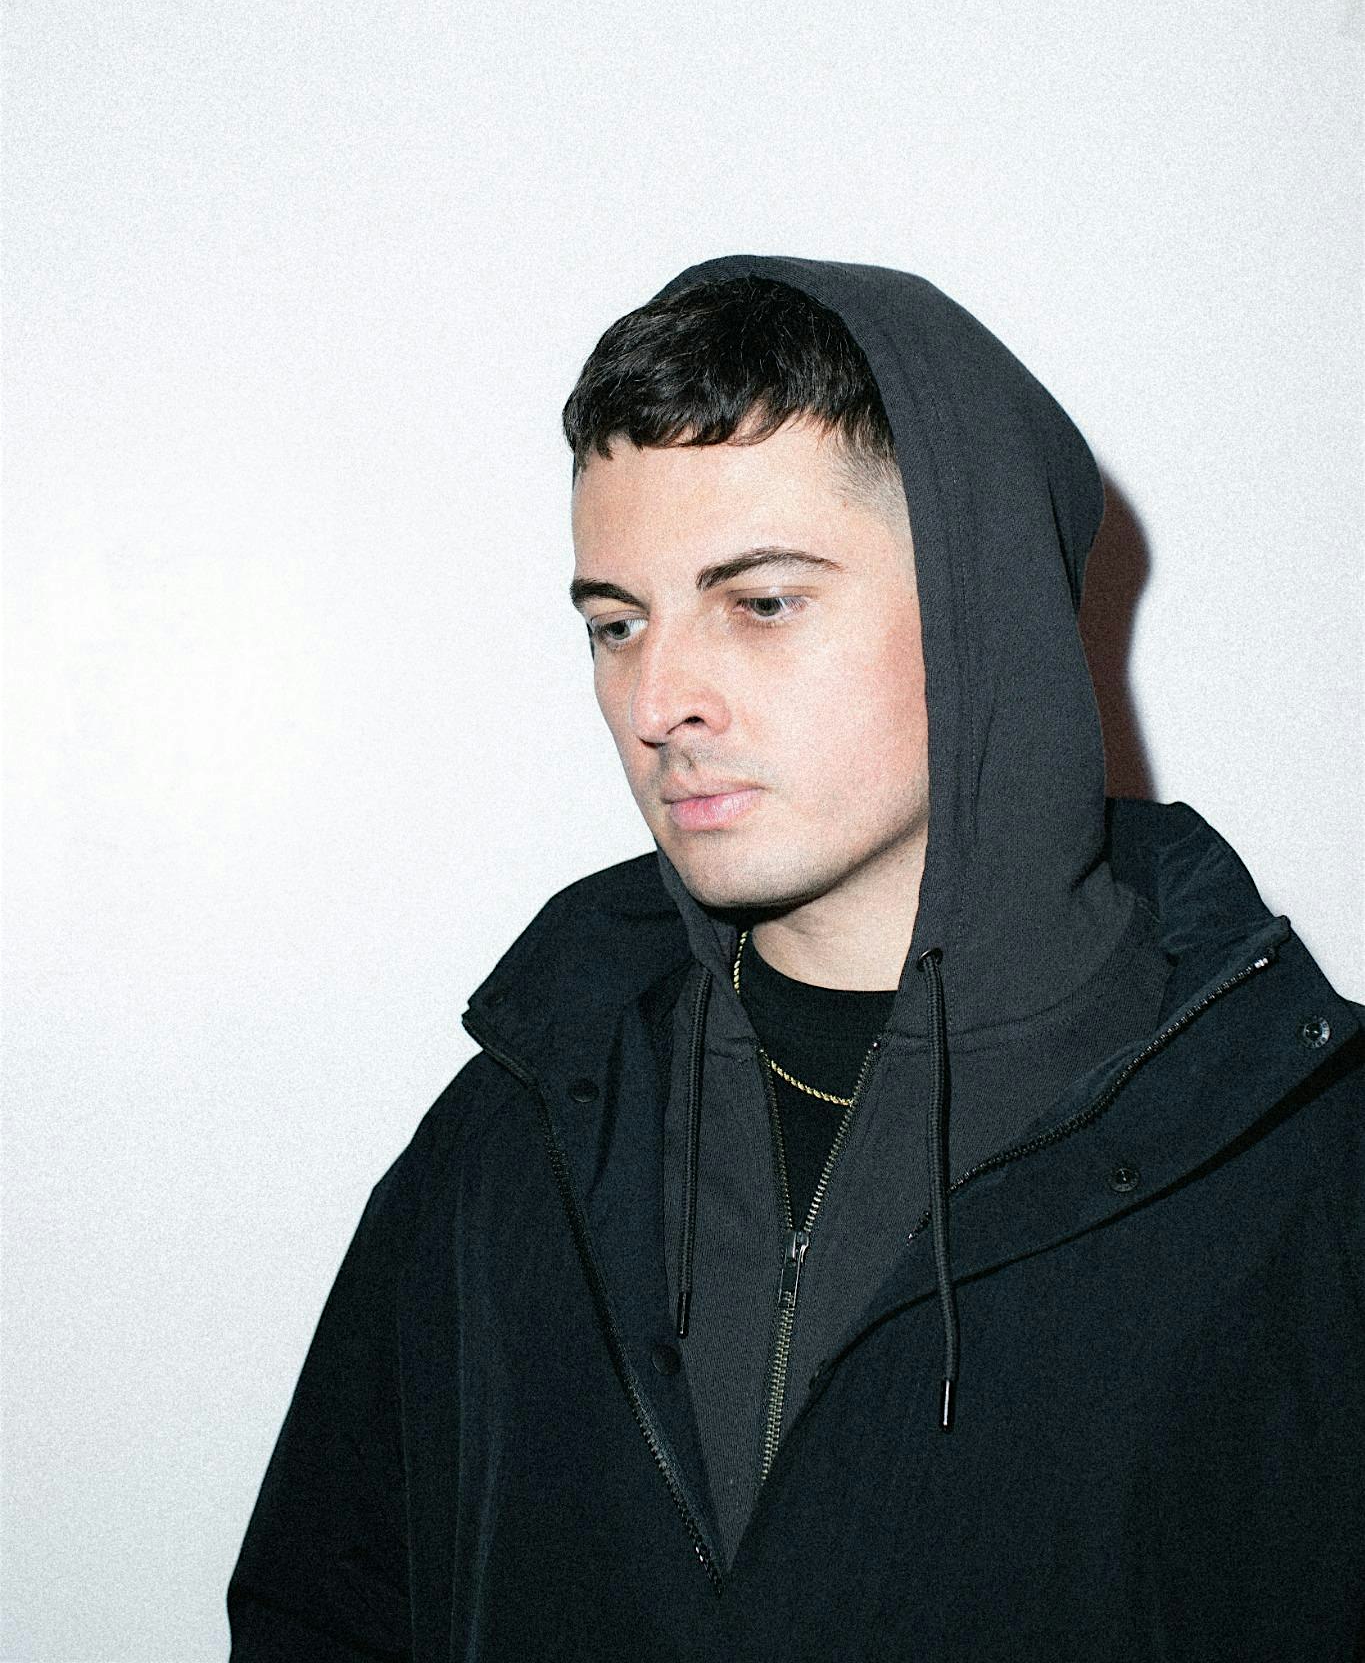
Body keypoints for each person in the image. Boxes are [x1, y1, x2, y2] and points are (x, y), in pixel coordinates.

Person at [227, 256, 1364, 1662]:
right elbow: (324, 1610)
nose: (657, 701)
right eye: (616, 624)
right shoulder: (512, 1130)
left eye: (760, 603)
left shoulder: (1305, 1159)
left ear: (985, 611)